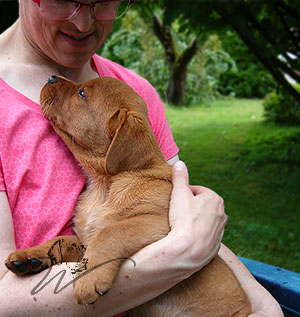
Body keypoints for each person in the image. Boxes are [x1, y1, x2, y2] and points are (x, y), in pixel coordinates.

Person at [0, 0, 283, 316]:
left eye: (103, 2)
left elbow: (189, 230)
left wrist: (263, 307)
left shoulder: (135, 98)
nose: (82, 23)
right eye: (63, 0)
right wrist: (171, 254)